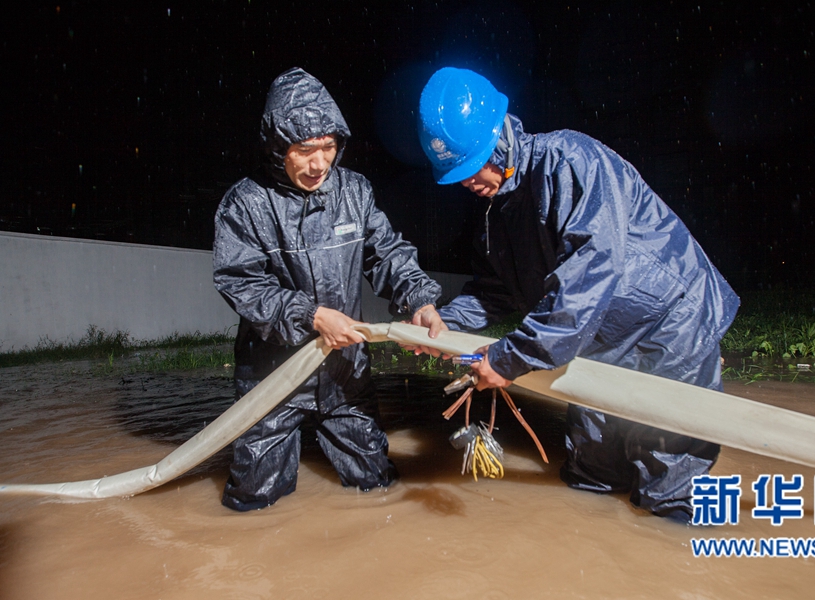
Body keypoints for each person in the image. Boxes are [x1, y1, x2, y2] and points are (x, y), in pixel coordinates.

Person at [417, 67, 740, 522]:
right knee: (591, 475)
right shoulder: (498, 213)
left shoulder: (571, 161)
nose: (469, 182)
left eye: (474, 165)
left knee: (668, 486)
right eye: (458, 175)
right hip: (597, 340)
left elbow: (589, 276)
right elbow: (494, 292)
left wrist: (508, 359)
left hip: (668, 326)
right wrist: (445, 325)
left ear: (501, 138)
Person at [213, 67, 446, 511]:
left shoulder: (354, 192)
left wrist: (420, 300)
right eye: (304, 150)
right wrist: (312, 316)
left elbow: (387, 254)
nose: (319, 163)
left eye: (328, 147)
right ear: (277, 147)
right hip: (273, 378)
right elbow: (241, 282)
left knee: (379, 489)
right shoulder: (245, 203)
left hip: (345, 375)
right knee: (253, 505)